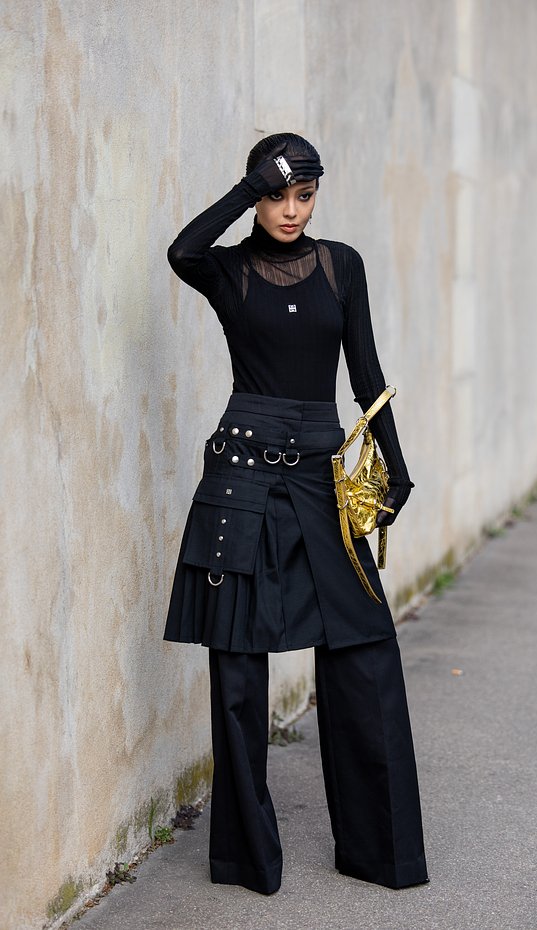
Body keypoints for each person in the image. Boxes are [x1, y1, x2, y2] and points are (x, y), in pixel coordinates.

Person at [163, 133, 428, 895]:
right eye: (277, 196)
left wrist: (395, 469)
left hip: (320, 481)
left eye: (303, 195)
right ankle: (249, 861)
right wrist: (246, 190)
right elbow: (182, 251)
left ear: (319, 195)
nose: (290, 210)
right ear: (257, 195)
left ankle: (382, 852)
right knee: (239, 674)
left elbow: (367, 375)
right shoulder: (229, 271)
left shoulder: (342, 266)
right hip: (241, 487)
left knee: (366, 651)